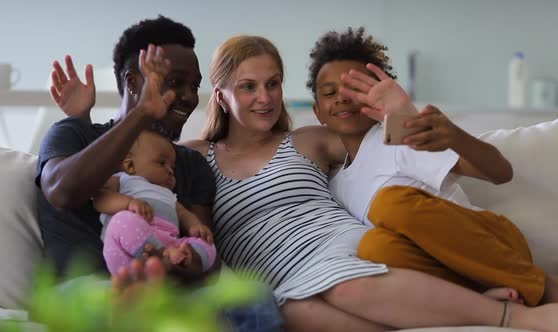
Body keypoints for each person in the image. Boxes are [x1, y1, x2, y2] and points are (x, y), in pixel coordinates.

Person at [180, 34, 557, 331]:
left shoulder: (310, 140)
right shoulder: (194, 158)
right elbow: (141, 169)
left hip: (344, 253)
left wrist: (400, 112)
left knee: (365, 252)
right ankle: (476, 303)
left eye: (273, 83)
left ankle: (517, 317)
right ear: (221, 97)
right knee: (296, 318)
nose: (264, 98)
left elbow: (376, 133)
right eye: (248, 87)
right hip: (278, 276)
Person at [42, 15, 284, 332]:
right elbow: (62, 191)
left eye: (194, 86)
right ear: (132, 83)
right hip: (89, 291)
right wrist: (141, 114)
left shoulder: (189, 163)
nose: (188, 96)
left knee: (255, 299)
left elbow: (205, 264)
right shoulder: (76, 134)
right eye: (173, 82)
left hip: (168, 293)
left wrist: (179, 261)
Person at [306, 26, 558, 309]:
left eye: (355, 87)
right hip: (453, 270)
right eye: (329, 92)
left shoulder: (398, 139)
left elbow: (501, 173)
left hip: (494, 243)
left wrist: (454, 136)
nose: (342, 97)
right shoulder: (335, 185)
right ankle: (486, 296)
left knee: (389, 203)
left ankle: (543, 286)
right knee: (374, 247)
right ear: (318, 112)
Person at [97, 130, 216, 277]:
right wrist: (128, 203)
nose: (171, 171)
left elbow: (183, 213)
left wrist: (195, 226)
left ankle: (174, 262)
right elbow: (100, 199)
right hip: (130, 251)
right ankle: (161, 258)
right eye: (162, 163)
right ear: (130, 166)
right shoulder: (123, 180)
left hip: (170, 244)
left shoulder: (168, 194)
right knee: (121, 221)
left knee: (207, 245)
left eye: (172, 167)